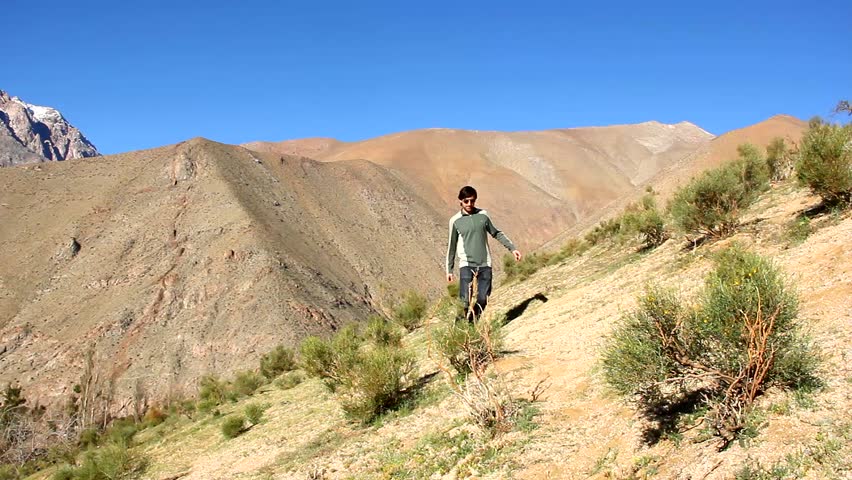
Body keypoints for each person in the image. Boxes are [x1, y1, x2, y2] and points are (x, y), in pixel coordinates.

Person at [446, 186, 522, 320]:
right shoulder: (455, 221)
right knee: (464, 301)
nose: (470, 204)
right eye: (466, 201)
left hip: (485, 263)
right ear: (460, 201)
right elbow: (451, 246)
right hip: (466, 264)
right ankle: (459, 330)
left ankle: (471, 324)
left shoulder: (483, 215)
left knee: (483, 299)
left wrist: (512, 248)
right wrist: (449, 270)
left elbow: (496, 233)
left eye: (472, 201)